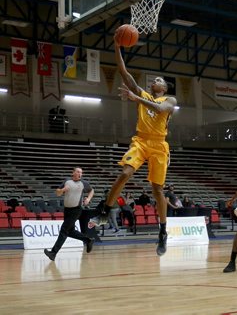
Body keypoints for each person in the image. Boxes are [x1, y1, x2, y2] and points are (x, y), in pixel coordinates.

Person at [88, 35, 177, 256]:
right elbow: (123, 71)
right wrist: (117, 47)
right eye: (153, 79)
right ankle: (105, 212)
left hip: (159, 145)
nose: (154, 81)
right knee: (125, 173)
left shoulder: (170, 100)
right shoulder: (143, 93)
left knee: (157, 190)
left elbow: (160, 110)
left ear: (164, 87)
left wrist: (137, 100)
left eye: (158, 80)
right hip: (140, 141)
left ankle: (163, 231)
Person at [44, 167, 95, 261]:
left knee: (63, 230)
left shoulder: (83, 183)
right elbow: (58, 193)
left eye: (81, 172)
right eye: (78, 172)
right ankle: (88, 240)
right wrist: (63, 189)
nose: (80, 174)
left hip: (76, 210)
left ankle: (53, 253)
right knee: (70, 231)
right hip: (67, 210)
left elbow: (92, 190)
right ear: (73, 173)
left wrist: (88, 199)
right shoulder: (67, 181)